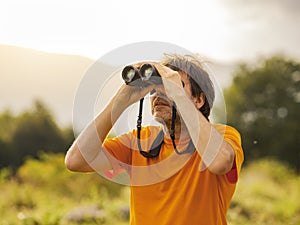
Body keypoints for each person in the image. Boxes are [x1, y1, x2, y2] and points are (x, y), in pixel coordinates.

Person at [65, 53, 244, 225]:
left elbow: (220, 163)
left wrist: (178, 96)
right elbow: (75, 161)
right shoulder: (139, 142)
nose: (160, 94)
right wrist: (121, 101)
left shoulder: (223, 135)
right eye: (156, 88)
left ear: (198, 100)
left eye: (172, 87)